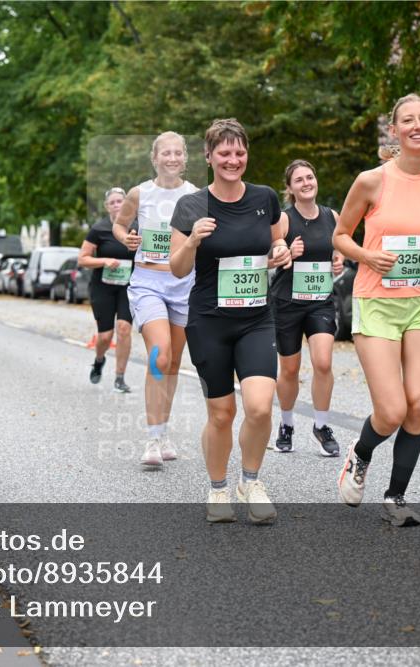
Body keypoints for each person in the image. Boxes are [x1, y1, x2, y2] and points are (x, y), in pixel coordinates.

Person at [334, 93, 420, 527]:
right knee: (390, 410)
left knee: (418, 404)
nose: (417, 125)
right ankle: (360, 453)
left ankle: (396, 497)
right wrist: (366, 258)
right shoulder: (372, 181)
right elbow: (340, 236)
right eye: (408, 120)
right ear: (395, 130)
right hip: (376, 302)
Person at [169, 118, 291, 524]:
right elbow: (176, 268)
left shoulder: (265, 197)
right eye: (224, 152)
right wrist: (191, 240)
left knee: (258, 407)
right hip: (209, 321)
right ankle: (218, 488)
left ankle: (251, 481)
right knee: (221, 414)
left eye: (239, 152)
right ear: (208, 157)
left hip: (257, 319)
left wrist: (281, 252)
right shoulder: (190, 206)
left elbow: (277, 239)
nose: (233, 159)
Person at [113, 132, 198, 468]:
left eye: (178, 153)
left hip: (183, 284)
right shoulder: (140, 193)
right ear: (155, 157)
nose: (172, 158)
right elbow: (120, 225)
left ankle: (162, 433)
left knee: (174, 362)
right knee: (159, 355)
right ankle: (151, 439)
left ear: (185, 158)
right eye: (166, 153)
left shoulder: (194, 195)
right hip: (148, 282)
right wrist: (127, 238)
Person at [269, 160, 345, 456]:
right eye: (298, 180)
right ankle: (286, 424)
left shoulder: (332, 216)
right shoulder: (285, 220)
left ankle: (321, 425)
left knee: (323, 362)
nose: (306, 182)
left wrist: (338, 261)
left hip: (320, 301)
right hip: (287, 302)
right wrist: (288, 251)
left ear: (316, 181)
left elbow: (338, 251)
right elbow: (271, 251)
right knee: (289, 369)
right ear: (290, 188)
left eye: (309, 177)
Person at [78, 187, 135, 393]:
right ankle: (99, 359)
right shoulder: (99, 229)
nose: (117, 205)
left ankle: (120, 378)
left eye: (120, 201)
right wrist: (104, 260)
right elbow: (82, 258)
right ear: (107, 207)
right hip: (103, 288)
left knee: (124, 328)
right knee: (105, 336)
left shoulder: (136, 227)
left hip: (128, 288)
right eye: (112, 202)